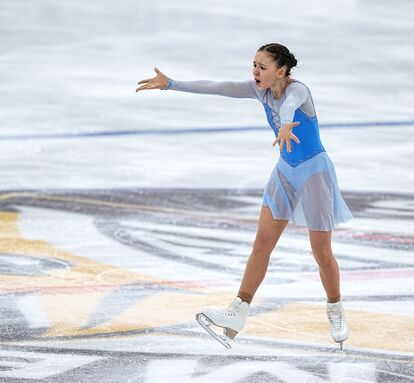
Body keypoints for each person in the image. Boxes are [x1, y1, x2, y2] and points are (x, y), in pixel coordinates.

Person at [136, 43, 352, 350]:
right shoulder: (258, 90)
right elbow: (217, 87)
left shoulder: (298, 91)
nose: (255, 71)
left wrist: (288, 123)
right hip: (285, 173)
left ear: (281, 71)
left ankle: (335, 309)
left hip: (315, 174)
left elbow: (290, 105)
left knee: (322, 253)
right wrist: (172, 84)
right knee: (261, 244)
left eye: (262, 67)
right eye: (254, 65)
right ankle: (238, 310)